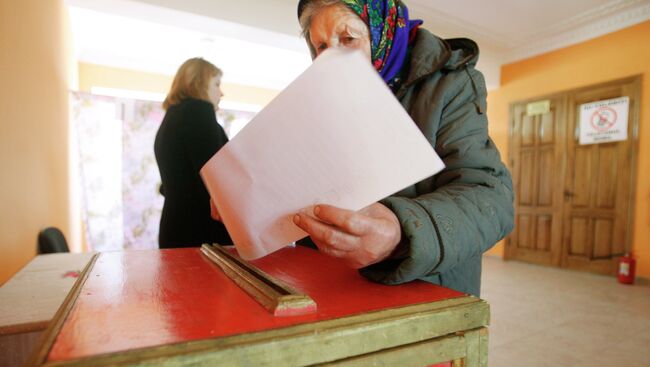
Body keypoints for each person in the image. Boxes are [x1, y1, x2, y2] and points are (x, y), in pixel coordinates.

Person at [291, 0, 514, 296]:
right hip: (333, 283)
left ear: (382, 30)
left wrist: (401, 232)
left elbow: (491, 201)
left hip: (425, 290)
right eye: (321, 47)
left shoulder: (452, 84)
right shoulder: (326, 101)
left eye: (347, 39)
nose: (331, 59)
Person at [154, 57, 232, 248]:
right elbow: (218, 177)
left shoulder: (172, 116)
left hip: (175, 228)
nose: (221, 93)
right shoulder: (198, 111)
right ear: (199, 82)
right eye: (216, 84)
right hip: (201, 233)